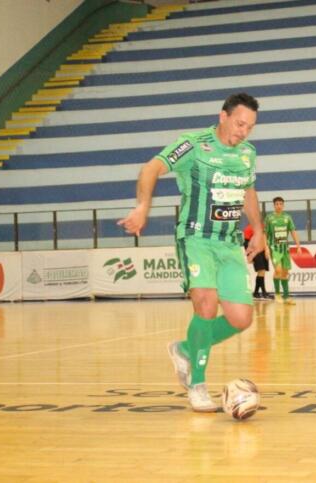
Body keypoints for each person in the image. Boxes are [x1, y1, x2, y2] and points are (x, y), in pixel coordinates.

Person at [117, 93, 264, 412]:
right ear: (223, 116)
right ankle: (197, 384)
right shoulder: (193, 144)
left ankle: (185, 348)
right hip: (196, 238)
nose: (244, 132)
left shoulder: (247, 154)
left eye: (250, 127)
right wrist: (143, 207)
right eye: (240, 123)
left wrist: (259, 230)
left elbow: (248, 190)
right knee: (207, 305)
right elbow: (151, 168)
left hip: (229, 243)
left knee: (241, 318)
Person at [264, 196, 301, 304]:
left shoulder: (287, 217)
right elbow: (265, 233)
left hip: (285, 248)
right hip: (274, 248)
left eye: (280, 204)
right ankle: (277, 294)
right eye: (277, 204)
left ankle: (286, 296)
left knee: (285, 272)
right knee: (278, 270)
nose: (279, 206)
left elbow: (293, 231)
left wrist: (298, 246)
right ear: (274, 205)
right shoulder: (269, 218)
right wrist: (266, 247)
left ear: (283, 205)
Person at [243, 223, 271, 299]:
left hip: (262, 248)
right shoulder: (248, 228)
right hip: (254, 250)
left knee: (262, 272)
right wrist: (249, 255)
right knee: (261, 271)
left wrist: (266, 249)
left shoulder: (261, 225)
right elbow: (246, 242)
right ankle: (264, 293)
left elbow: (264, 237)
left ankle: (256, 293)